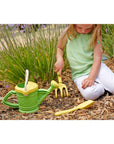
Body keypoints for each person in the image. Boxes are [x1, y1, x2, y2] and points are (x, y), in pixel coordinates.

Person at [54, 24, 114, 100]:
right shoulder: (67, 32)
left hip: (97, 68)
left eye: (88, 28)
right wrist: (60, 59)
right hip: (80, 74)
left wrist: (91, 78)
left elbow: (97, 57)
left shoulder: (95, 34)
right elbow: (59, 48)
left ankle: (104, 83)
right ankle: (103, 88)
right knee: (89, 94)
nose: (83, 31)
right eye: (79, 27)